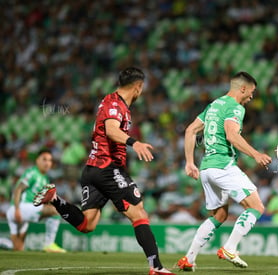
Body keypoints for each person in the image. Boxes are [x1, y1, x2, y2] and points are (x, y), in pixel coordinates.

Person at [33, 67, 175, 275]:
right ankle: (156, 266)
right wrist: (134, 143)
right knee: (139, 213)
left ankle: (56, 200)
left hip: (92, 170)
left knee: (87, 225)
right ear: (138, 87)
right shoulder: (114, 104)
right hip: (108, 168)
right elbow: (111, 130)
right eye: (141, 88)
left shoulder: (115, 103)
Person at [176, 72, 272, 271]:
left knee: (219, 215)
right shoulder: (235, 107)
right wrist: (255, 154)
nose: (252, 97)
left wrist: (189, 162)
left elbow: (190, 131)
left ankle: (189, 259)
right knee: (256, 207)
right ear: (243, 89)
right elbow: (231, 135)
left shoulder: (214, 105)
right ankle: (230, 247)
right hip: (223, 166)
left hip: (206, 169)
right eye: (252, 92)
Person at [6, 149, 66, 252]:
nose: (47, 163)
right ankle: (49, 244)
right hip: (21, 207)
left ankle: (3, 242)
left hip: (25, 210)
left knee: (18, 248)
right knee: (55, 210)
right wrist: (17, 209)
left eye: (50, 160)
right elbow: (18, 189)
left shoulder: (45, 178)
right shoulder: (32, 172)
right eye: (44, 159)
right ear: (37, 160)